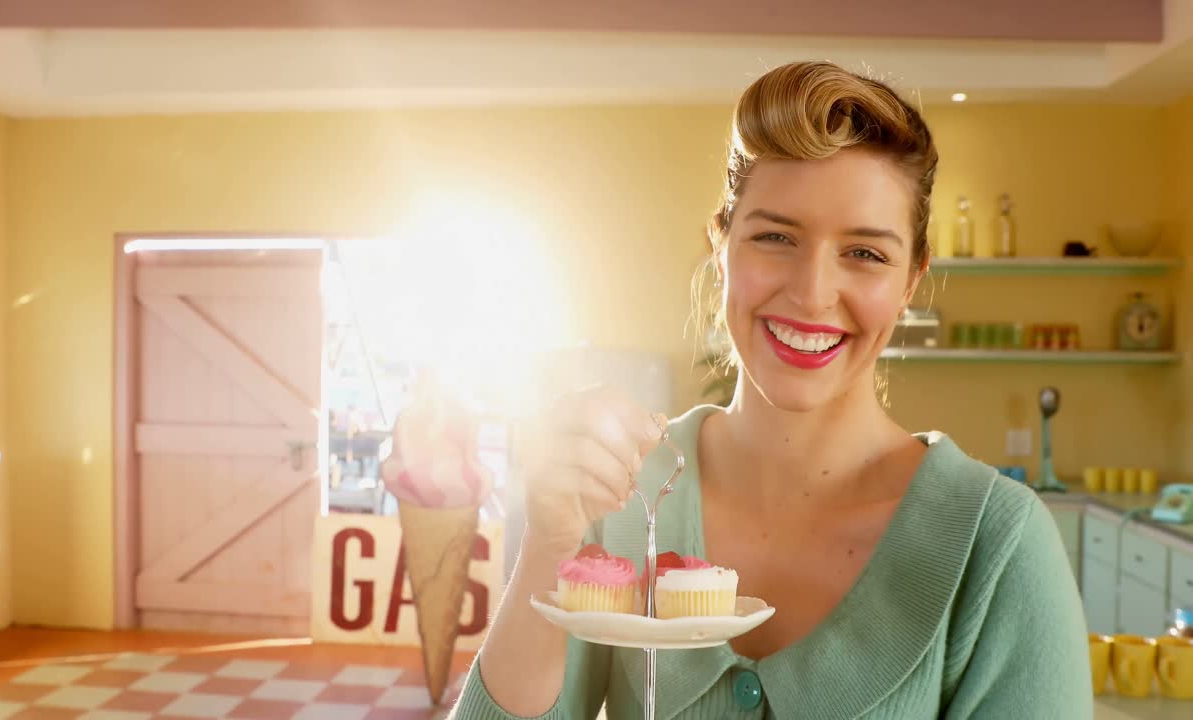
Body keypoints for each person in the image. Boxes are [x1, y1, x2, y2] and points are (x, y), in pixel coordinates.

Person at [451, 61, 1092, 719]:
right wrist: (548, 544)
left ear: (910, 282)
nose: (812, 294)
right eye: (775, 237)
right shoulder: (619, 490)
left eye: (865, 253)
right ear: (721, 246)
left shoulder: (998, 547)